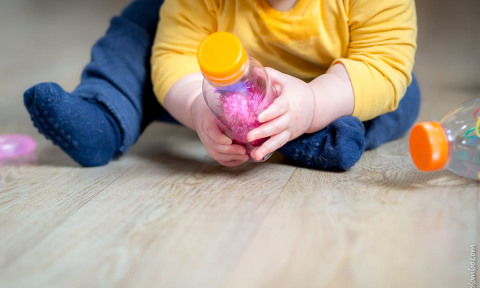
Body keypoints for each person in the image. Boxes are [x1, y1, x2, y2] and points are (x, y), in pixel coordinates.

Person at [23, 0, 420, 170]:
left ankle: (320, 135)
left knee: (395, 93)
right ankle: (105, 113)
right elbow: (175, 55)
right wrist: (197, 105)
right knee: (142, 24)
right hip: (219, 88)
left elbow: (384, 62)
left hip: (330, 86)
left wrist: (315, 103)